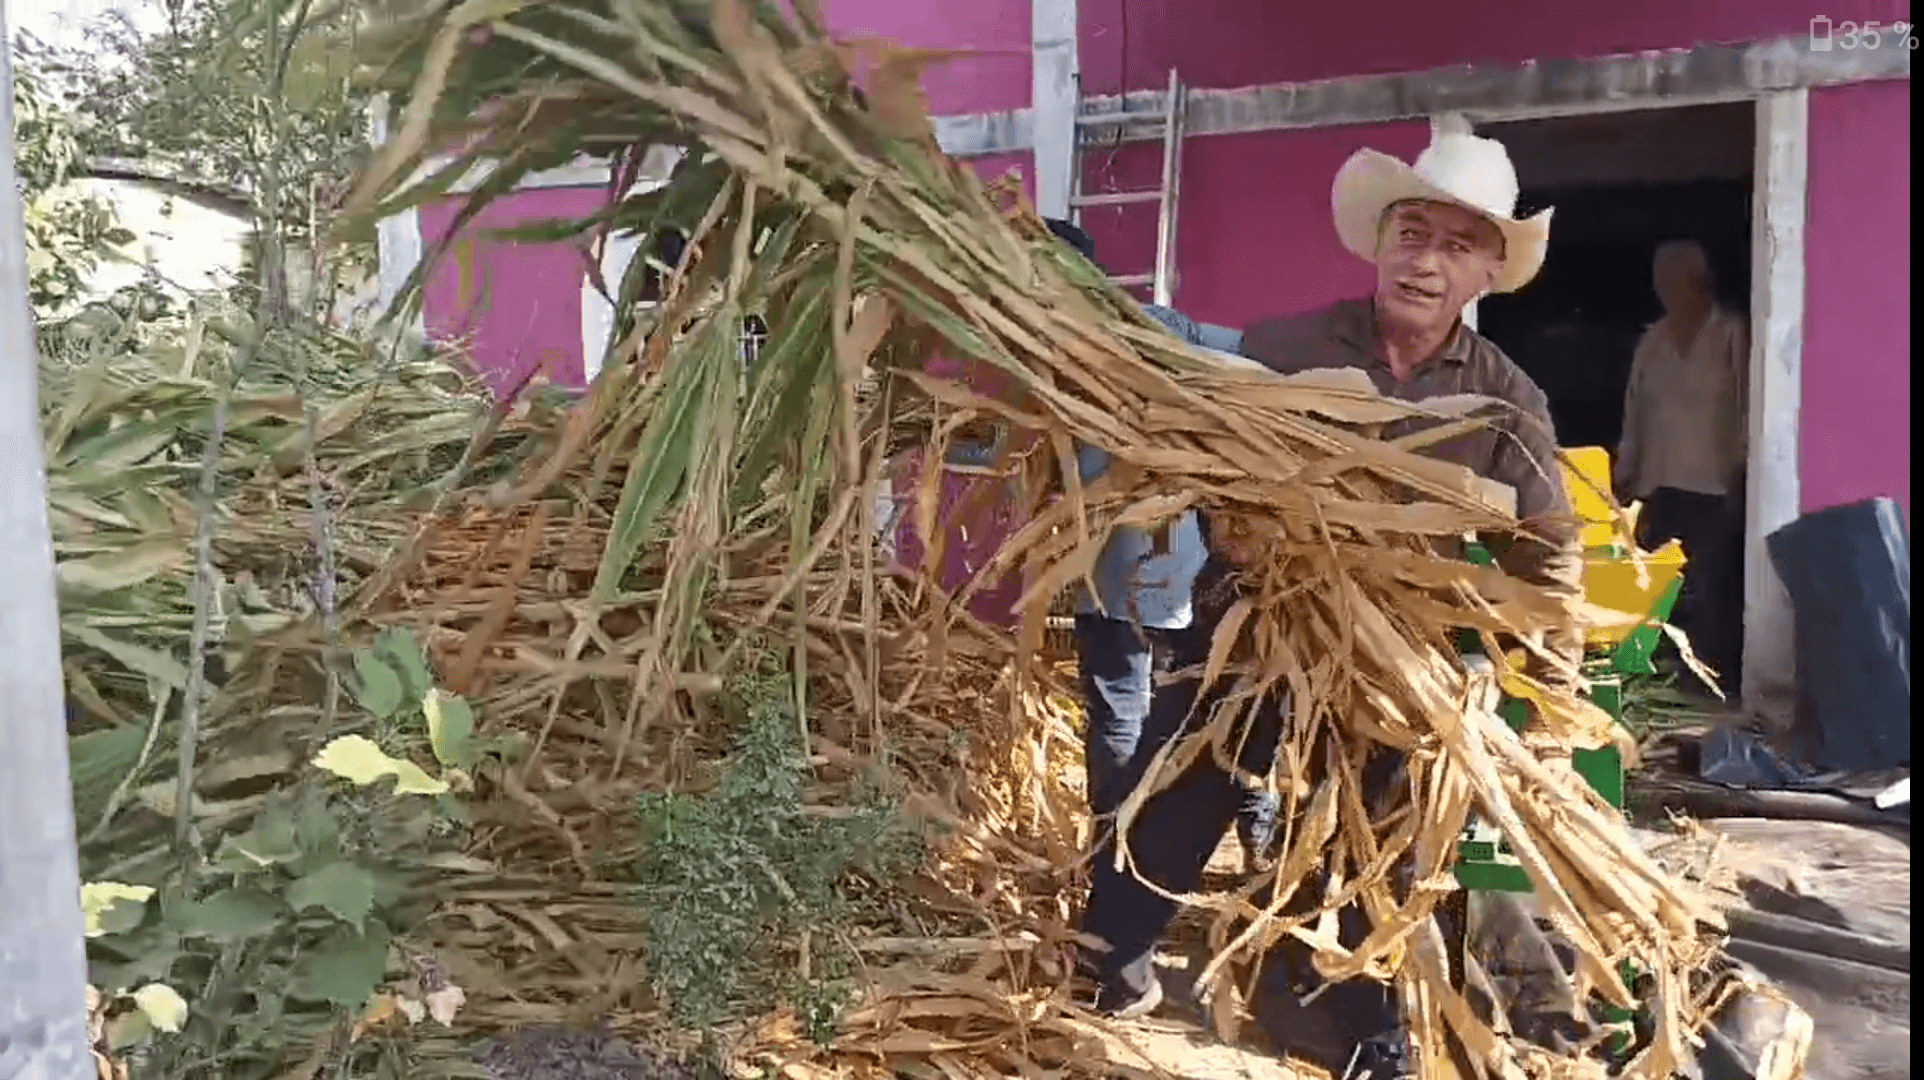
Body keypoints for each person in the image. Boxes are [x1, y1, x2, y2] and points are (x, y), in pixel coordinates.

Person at [1195, 122, 1578, 1076]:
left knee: (1380, 830)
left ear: (1489, 271)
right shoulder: (1277, 352)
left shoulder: (1507, 401)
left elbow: (1549, 557)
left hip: (1402, 657)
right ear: (1379, 242)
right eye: (1411, 233)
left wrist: (1554, 704)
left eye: (1457, 245)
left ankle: (1358, 1017)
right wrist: (1233, 533)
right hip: (1261, 636)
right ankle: (1108, 972)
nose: (1426, 261)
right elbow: (1213, 486)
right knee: (1179, 799)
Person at [1045, 219, 1286, 1021]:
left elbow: (1267, 365)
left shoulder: (1131, 336)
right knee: (1169, 729)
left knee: (1176, 732)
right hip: (1144, 575)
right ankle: (1145, 886)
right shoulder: (1106, 340)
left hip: (1157, 577)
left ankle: (1148, 877)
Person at [1614, 240, 1749, 695]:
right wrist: (1623, 481)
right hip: (1660, 484)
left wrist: (1743, 474)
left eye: (1673, 278)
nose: (1663, 287)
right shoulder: (1652, 340)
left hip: (1714, 485)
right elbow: (1635, 413)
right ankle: (1655, 685)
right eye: (1659, 279)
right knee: (1657, 592)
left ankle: (1707, 685)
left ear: (1698, 280)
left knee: (1711, 593)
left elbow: (1751, 408)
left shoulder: (1731, 333)